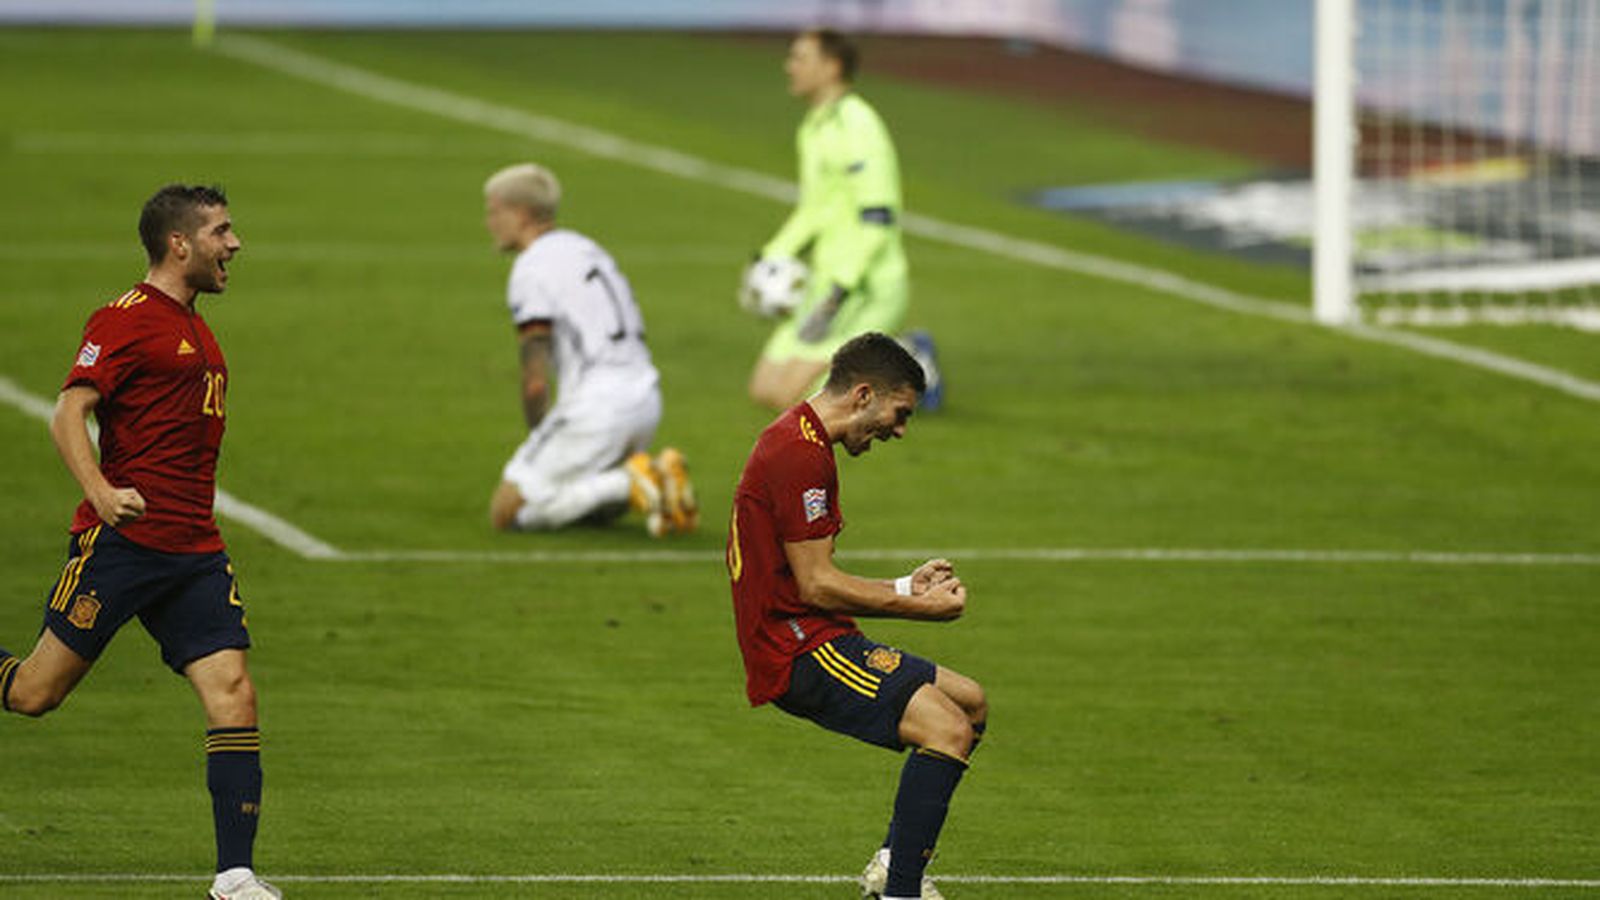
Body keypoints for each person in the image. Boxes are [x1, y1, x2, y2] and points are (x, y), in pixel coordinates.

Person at [0, 184, 279, 900]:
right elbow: (69, 412)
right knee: (34, 694)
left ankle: (235, 875)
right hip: (121, 548)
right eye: (222, 231)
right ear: (179, 244)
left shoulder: (194, 324)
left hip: (194, 551)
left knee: (233, 692)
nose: (235, 243)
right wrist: (99, 492)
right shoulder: (125, 321)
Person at [725, 333, 985, 899]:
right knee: (948, 730)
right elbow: (818, 586)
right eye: (899, 413)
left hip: (810, 630)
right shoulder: (799, 455)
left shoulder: (802, 439)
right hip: (795, 647)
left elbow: (809, 575)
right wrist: (919, 607)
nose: (899, 430)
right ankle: (901, 892)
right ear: (864, 394)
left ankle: (894, 867)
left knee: (970, 701)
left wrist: (900, 584)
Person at [482, 162, 697, 536]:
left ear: (520, 214)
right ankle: (644, 485)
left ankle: (631, 481)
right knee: (585, 511)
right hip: (644, 396)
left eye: (493, 211)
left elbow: (534, 376)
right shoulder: (585, 247)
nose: (488, 222)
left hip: (597, 407)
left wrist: (540, 434)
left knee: (506, 514)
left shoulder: (531, 267)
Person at [744, 29, 943, 411]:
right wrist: (770, 256)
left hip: (862, 288)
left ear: (832, 67)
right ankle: (892, 356)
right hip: (825, 284)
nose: (790, 67)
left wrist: (840, 290)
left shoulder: (859, 125)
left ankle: (912, 364)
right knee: (765, 389)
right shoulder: (815, 126)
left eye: (800, 58)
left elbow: (878, 219)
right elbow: (813, 208)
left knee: (799, 400)